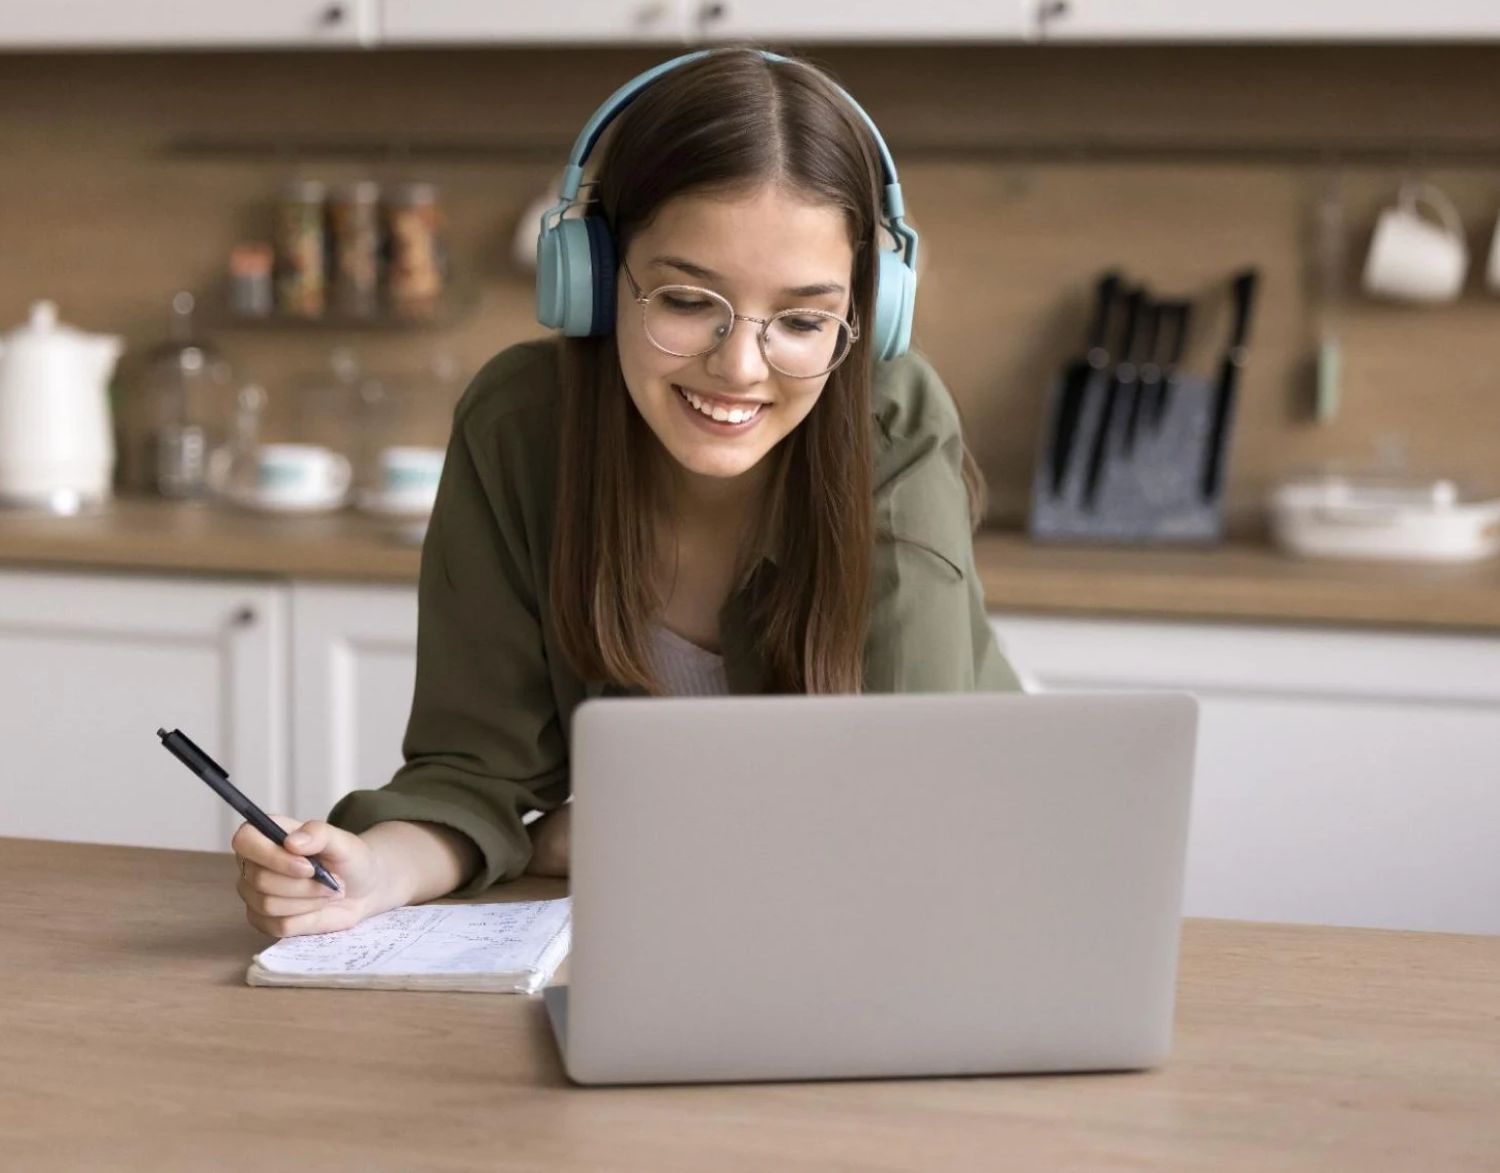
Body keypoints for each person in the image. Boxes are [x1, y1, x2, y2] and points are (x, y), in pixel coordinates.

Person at [233, 47, 1018, 938]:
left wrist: (597, 834)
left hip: (928, 914)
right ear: (594, 280)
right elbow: (472, 776)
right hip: (682, 931)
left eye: (802, 321)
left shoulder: (893, 418)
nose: (739, 366)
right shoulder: (522, 425)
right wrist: (376, 868)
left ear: (866, 318)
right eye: (686, 300)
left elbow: (905, 799)